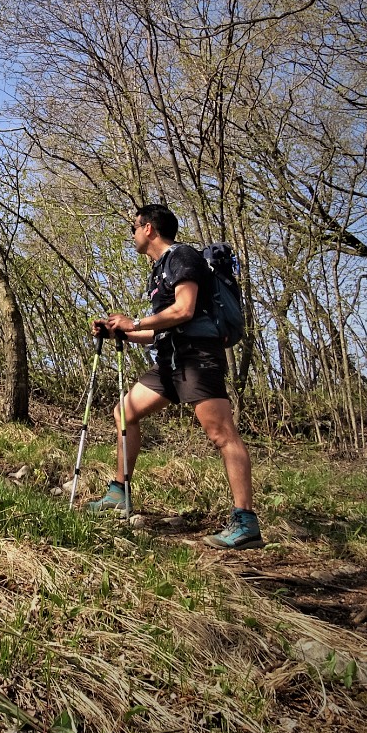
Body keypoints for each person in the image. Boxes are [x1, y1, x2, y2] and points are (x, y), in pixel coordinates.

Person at [88, 203, 263, 550]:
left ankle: (246, 522)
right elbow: (158, 330)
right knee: (125, 412)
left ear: (149, 228)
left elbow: (183, 310)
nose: (132, 235)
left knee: (221, 433)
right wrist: (117, 332)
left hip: (197, 357)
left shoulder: (182, 257)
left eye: (134, 228)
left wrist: (134, 322)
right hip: (169, 359)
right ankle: (119, 492)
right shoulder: (158, 271)